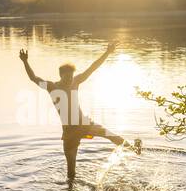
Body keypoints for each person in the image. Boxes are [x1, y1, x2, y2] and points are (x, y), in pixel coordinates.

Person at [20, 42, 141, 182]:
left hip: (84, 124)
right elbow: (34, 78)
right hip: (69, 133)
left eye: (71, 76)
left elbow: (92, 68)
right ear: (61, 76)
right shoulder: (51, 87)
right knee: (71, 173)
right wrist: (25, 62)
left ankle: (134, 149)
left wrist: (107, 53)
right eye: (67, 77)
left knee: (112, 136)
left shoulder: (75, 82)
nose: (70, 79)